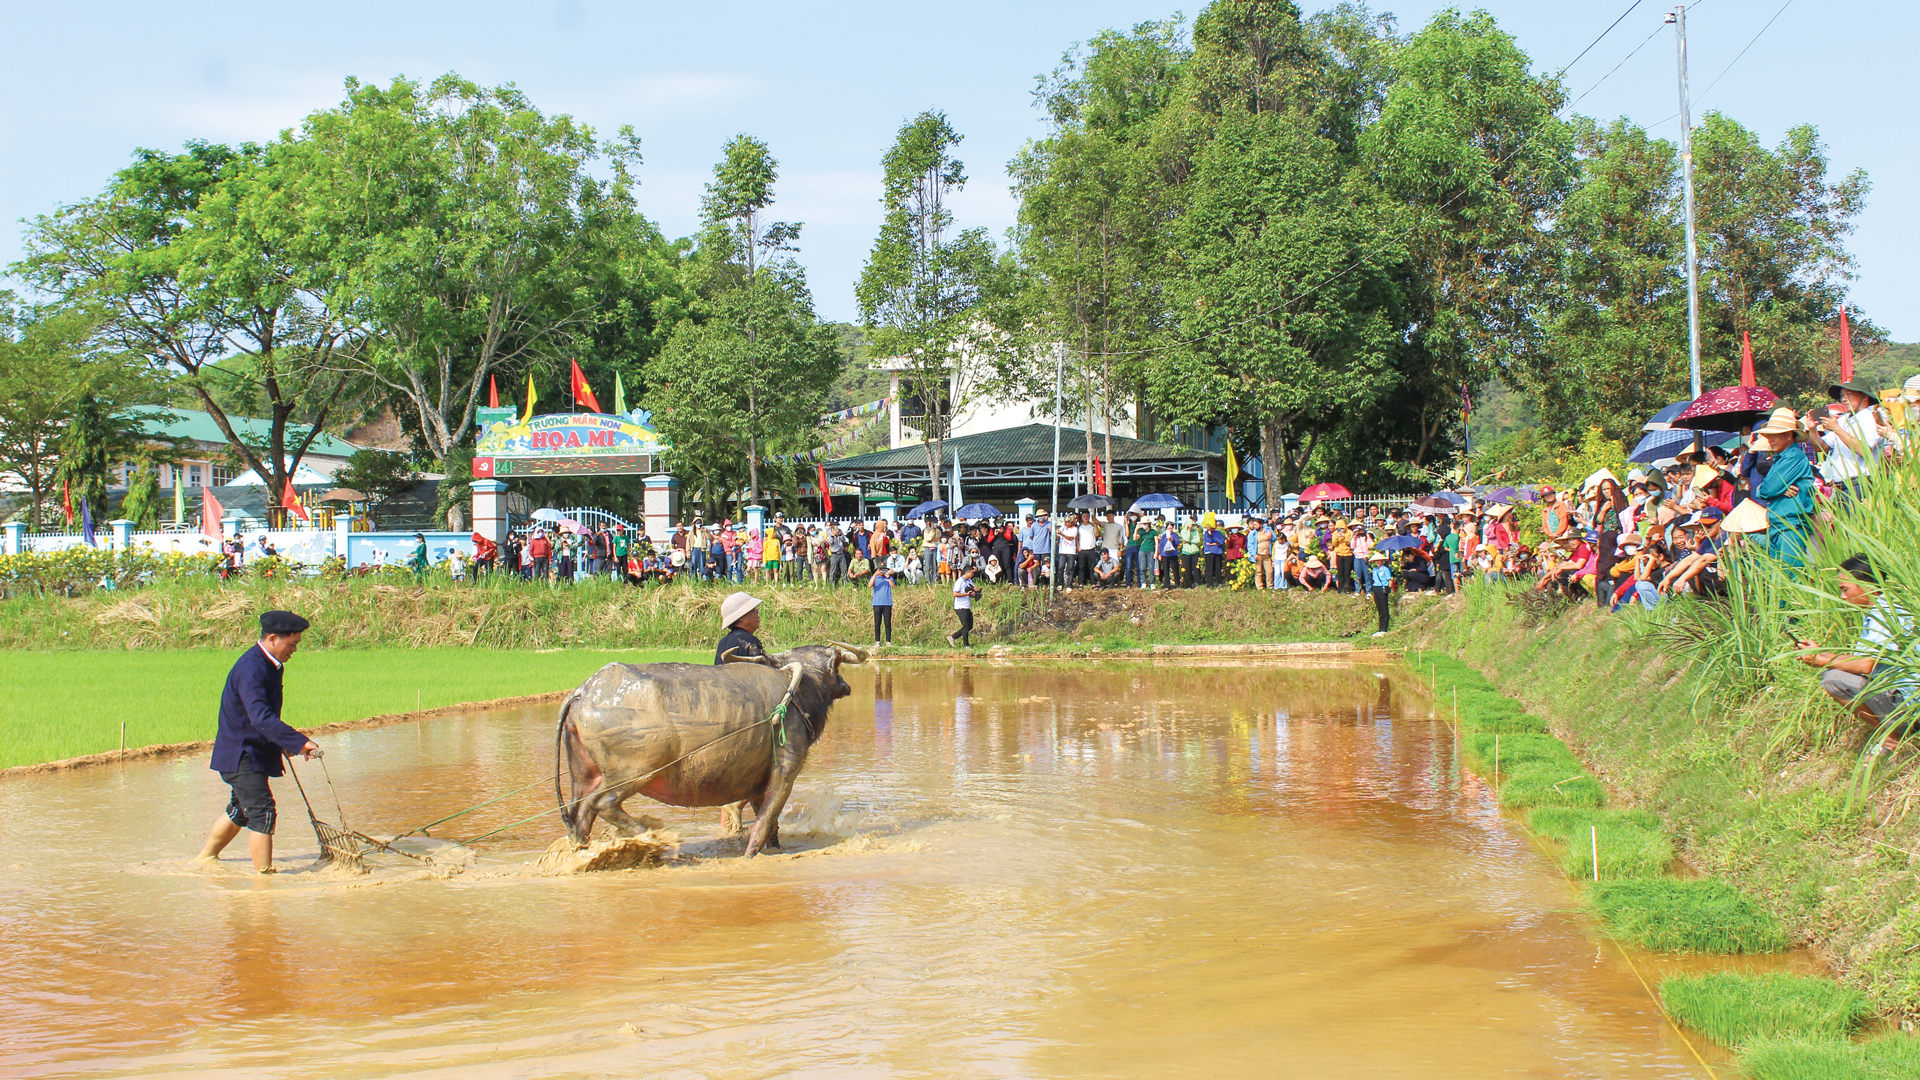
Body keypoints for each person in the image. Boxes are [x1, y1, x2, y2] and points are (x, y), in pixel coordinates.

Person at [197, 610, 321, 874]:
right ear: (274, 638)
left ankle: (205, 859)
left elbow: (263, 717)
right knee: (262, 811)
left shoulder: (269, 665)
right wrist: (298, 742)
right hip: (241, 754)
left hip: (248, 750)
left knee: (241, 809)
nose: (295, 650)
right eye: (292, 644)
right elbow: (260, 717)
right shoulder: (252, 668)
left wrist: (287, 744)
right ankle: (264, 878)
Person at [1796, 554, 1915, 762]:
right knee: (1835, 672)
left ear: (1866, 585)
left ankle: (1892, 738)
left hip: (1909, 702)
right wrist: (1821, 652)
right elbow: (1861, 658)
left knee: (1833, 679)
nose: (1842, 597)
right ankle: (1893, 733)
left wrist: (1823, 661)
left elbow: (1868, 664)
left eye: (1845, 589)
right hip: (1900, 696)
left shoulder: (1887, 615)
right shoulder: (1877, 612)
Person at [1752, 408, 1817, 568]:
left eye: (1774, 436)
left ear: (1789, 435)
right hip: (1781, 523)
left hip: (1790, 525)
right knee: (1780, 575)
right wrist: (1779, 489)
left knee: (1791, 575)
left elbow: (1767, 489)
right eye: (1769, 436)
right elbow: (1766, 488)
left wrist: (1773, 490)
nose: (1770, 440)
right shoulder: (1782, 457)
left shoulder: (1792, 456)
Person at [1814, 380, 1884, 502]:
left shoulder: (1871, 419)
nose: (1844, 399)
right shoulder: (1843, 420)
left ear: (1864, 395)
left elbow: (1863, 450)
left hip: (1860, 484)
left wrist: (1836, 429)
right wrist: (1812, 429)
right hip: (1841, 486)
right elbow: (1820, 446)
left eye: (1849, 394)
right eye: (1842, 395)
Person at [715, 592, 766, 664]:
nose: (757, 612)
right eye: (753, 610)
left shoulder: (723, 642)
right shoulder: (750, 641)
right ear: (741, 617)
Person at [947, 566, 980, 648]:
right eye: (972, 573)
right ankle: (966, 645)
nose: (973, 574)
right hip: (960, 607)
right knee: (965, 626)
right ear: (967, 572)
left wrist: (974, 592)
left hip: (967, 606)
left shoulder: (969, 581)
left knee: (970, 626)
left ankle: (953, 637)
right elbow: (955, 594)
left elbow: (971, 591)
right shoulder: (959, 582)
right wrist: (966, 594)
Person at [1366, 551, 1394, 637]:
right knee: (1379, 608)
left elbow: (1390, 580)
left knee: (1384, 608)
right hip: (1376, 588)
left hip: (1383, 588)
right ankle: (1380, 628)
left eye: (1379, 560)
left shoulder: (1385, 569)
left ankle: (1384, 629)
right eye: (1376, 561)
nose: (1378, 562)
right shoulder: (1374, 570)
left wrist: (1389, 589)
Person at [870, 562, 894, 648]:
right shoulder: (875, 578)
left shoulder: (889, 577)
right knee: (877, 622)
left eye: (884, 570)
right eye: (880, 570)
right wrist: (875, 574)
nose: (882, 572)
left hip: (887, 603)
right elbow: (870, 585)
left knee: (887, 623)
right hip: (877, 603)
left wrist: (888, 578)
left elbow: (893, 586)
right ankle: (877, 641)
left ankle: (888, 641)